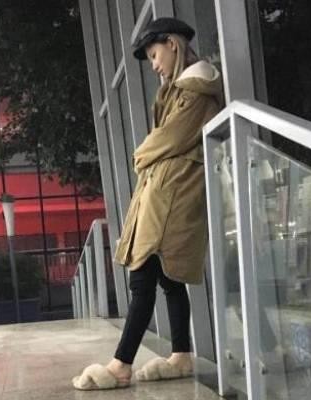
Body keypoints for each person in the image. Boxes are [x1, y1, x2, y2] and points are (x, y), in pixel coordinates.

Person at [72, 17, 223, 391]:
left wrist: (141, 154)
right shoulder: (177, 93)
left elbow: (169, 139)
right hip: (167, 191)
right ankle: (181, 354)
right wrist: (153, 156)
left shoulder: (195, 91)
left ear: (172, 44)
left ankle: (120, 366)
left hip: (175, 192)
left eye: (155, 55)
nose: (153, 64)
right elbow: (168, 141)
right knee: (169, 278)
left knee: (143, 276)